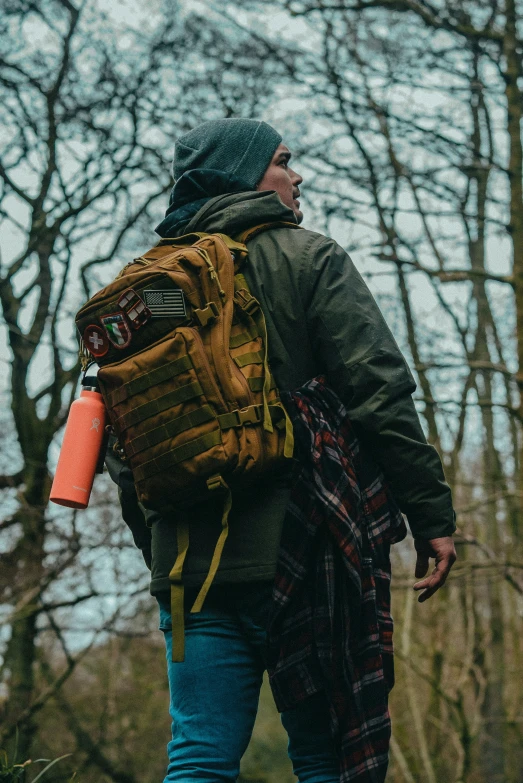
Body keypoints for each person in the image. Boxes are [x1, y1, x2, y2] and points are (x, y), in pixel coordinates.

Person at [105, 118, 457, 782]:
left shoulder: (146, 287)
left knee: (200, 755)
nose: (296, 177)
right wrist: (431, 517)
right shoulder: (306, 257)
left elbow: (126, 442)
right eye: (284, 161)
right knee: (326, 755)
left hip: (191, 569)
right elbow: (379, 394)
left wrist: (159, 546)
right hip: (311, 555)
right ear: (244, 176)